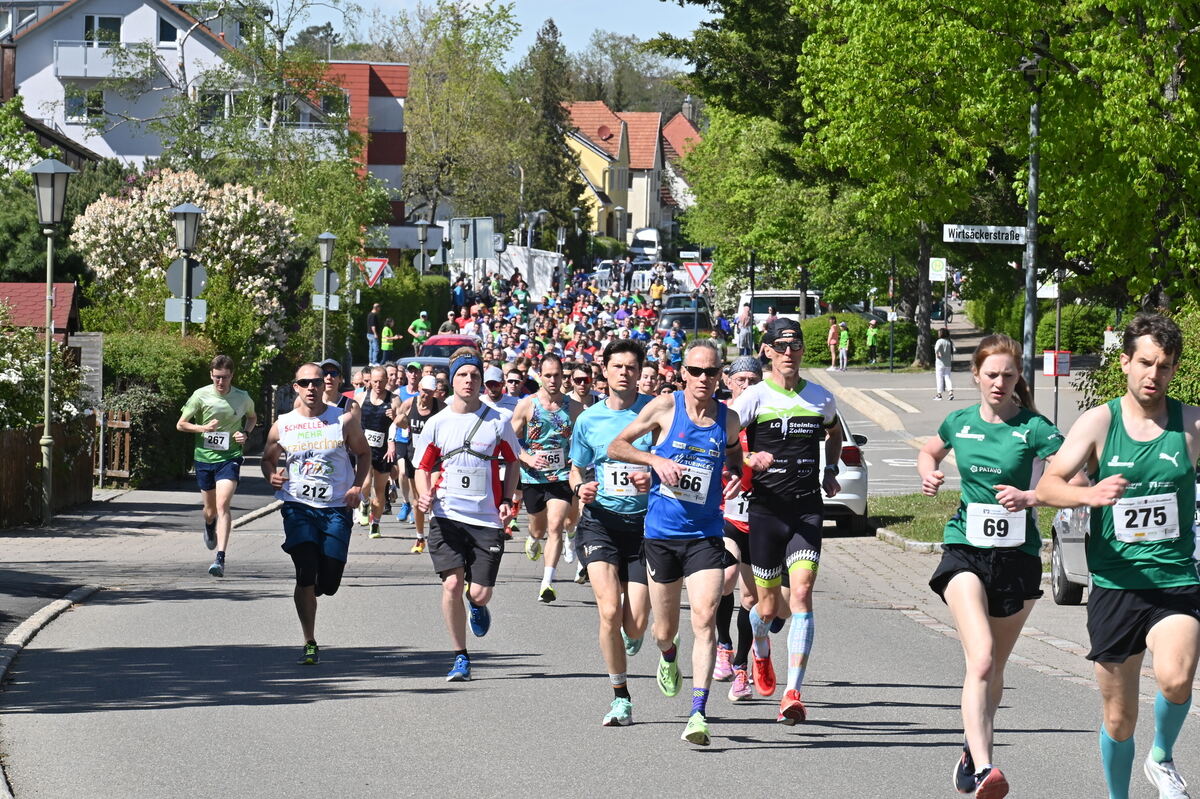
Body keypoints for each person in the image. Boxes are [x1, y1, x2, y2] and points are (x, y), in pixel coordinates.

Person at [1036, 314, 1200, 799]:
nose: (1154, 375)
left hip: (1173, 580)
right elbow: (1048, 485)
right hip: (1114, 585)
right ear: (1126, 362)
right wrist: (1089, 496)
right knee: (1119, 716)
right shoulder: (1099, 422)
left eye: (1165, 366)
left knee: (1176, 678)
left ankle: (1162, 757)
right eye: (1146, 363)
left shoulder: (1191, 424)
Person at [918, 333, 1063, 799]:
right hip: (965, 549)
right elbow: (929, 450)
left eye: (1008, 374)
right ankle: (985, 768)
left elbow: (1075, 476)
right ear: (976, 375)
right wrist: (928, 473)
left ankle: (970, 747)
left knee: (994, 667)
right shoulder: (959, 422)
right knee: (979, 656)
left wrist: (1033, 495)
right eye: (992, 374)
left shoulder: (1035, 429)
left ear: (1019, 377)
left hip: (1018, 558)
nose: (1000, 382)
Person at [609, 338, 744, 747]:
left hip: (705, 535)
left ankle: (698, 713)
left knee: (705, 616)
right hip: (662, 536)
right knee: (663, 630)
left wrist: (736, 472)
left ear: (721, 375)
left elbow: (735, 456)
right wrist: (655, 460)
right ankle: (668, 654)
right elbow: (616, 445)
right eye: (696, 371)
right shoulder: (665, 408)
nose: (704, 378)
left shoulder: (729, 419)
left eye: (712, 372)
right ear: (683, 373)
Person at [730, 318, 840, 725]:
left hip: (807, 508)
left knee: (803, 592)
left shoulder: (821, 398)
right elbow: (724, 441)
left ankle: (793, 692)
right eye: (782, 345)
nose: (790, 352)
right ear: (768, 351)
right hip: (766, 510)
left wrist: (830, 472)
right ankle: (760, 650)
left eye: (796, 345)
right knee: (769, 606)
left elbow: (834, 434)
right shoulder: (753, 398)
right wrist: (746, 460)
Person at [416, 349, 520, 681]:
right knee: (451, 584)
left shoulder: (497, 421)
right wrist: (423, 493)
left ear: (481, 381)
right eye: (463, 375)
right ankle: (460, 656)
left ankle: (476, 604)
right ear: (453, 381)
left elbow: (513, 461)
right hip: (446, 513)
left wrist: (506, 498)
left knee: (479, 592)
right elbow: (423, 466)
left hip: (486, 518)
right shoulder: (438, 422)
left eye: (474, 375)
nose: (469, 381)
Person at [569, 340, 656, 726]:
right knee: (608, 611)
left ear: (640, 372)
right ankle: (620, 696)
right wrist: (579, 488)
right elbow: (577, 468)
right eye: (617, 366)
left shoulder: (655, 414)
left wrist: (650, 478)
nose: (624, 372)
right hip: (600, 523)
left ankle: (635, 635)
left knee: (634, 624)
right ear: (604, 371)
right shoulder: (589, 419)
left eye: (631, 367)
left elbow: (672, 464)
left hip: (645, 529)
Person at [262, 362, 370, 665]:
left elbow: (363, 454)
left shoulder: (344, 420)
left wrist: (357, 486)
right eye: (305, 383)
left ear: (326, 385)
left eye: (317, 382)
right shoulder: (284, 424)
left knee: (330, 583)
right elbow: (268, 458)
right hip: (298, 506)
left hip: (335, 507)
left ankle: (317, 587)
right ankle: (309, 640)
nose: (311, 387)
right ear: (296, 387)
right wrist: (271, 475)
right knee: (306, 569)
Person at [712, 356, 769, 701]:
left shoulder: (768, 419)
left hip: (760, 520)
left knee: (751, 598)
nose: (747, 385)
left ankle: (742, 669)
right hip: (725, 515)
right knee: (726, 578)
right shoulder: (721, 417)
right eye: (741, 379)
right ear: (728, 381)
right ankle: (723, 646)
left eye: (753, 379)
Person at [176, 354, 257, 578]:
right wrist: (203, 429)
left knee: (223, 505)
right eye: (217, 378)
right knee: (210, 511)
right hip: (204, 458)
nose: (221, 383)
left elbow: (252, 417)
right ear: (211, 375)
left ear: (232, 376)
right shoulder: (200, 395)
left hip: (229, 458)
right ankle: (209, 525)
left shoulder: (242, 397)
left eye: (226, 378)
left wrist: (246, 434)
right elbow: (181, 425)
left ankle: (220, 558)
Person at [510, 353, 580, 602]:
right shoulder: (527, 405)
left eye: (557, 375)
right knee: (538, 529)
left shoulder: (574, 407)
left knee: (555, 526)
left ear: (564, 377)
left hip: (561, 477)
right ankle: (531, 537)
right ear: (540, 376)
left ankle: (547, 582)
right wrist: (527, 458)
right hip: (532, 479)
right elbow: (508, 438)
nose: (552, 380)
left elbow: (586, 439)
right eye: (548, 375)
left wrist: (578, 457)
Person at [398, 375, 443, 554]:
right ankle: (419, 537)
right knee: (417, 502)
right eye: (424, 391)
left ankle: (436, 535)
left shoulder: (440, 407)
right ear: (419, 389)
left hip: (434, 458)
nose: (426, 396)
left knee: (430, 495)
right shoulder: (409, 404)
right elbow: (398, 422)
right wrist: (398, 421)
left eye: (430, 393)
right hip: (414, 457)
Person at [357, 366, 402, 539]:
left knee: (380, 490)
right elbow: (352, 421)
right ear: (369, 380)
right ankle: (365, 503)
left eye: (381, 381)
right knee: (365, 482)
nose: (378, 384)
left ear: (386, 381)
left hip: (383, 451)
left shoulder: (394, 400)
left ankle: (375, 523)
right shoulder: (361, 398)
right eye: (375, 381)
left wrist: (395, 416)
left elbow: (401, 426)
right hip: (364, 448)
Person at [935, 326, 955, 400]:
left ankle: (939, 394)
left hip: (940, 362)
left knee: (939, 378)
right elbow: (954, 349)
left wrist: (938, 354)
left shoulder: (939, 341)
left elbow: (936, 349)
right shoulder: (949, 341)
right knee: (947, 377)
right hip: (948, 363)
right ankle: (950, 392)